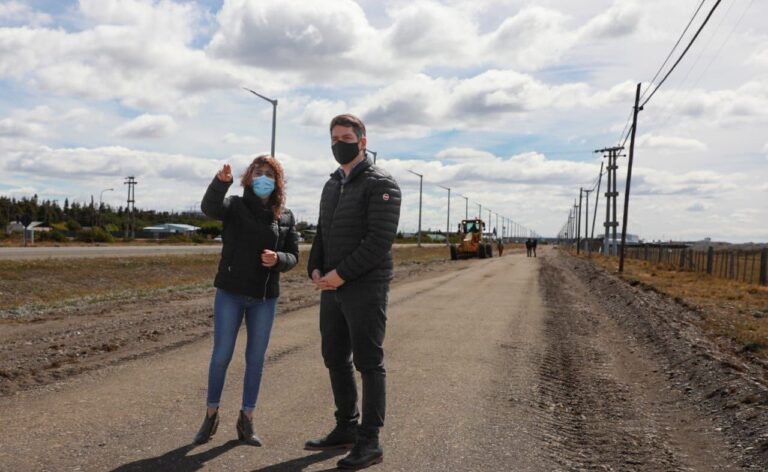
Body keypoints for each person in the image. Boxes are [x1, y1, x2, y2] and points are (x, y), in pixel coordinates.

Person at [305, 114, 401, 470]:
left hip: (365, 287)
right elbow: (322, 233)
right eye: (333, 138)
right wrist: (315, 267)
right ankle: (345, 426)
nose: (338, 144)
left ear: (363, 141)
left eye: (345, 137)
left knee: (368, 362)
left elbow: (379, 240)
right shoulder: (332, 185)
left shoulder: (382, 183)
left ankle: (369, 441)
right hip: (331, 286)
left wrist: (341, 275)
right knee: (334, 357)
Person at [194, 155, 299, 446]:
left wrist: (279, 259)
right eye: (258, 172)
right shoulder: (234, 206)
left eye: (269, 173)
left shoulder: (286, 216)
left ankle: (247, 420)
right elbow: (209, 208)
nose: (263, 177)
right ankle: (211, 415)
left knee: (255, 359)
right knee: (221, 356)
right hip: (230, 292)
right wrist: (220, 183)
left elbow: (294, 256)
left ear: (277, 181)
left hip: (264, 298)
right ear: (248, 177)